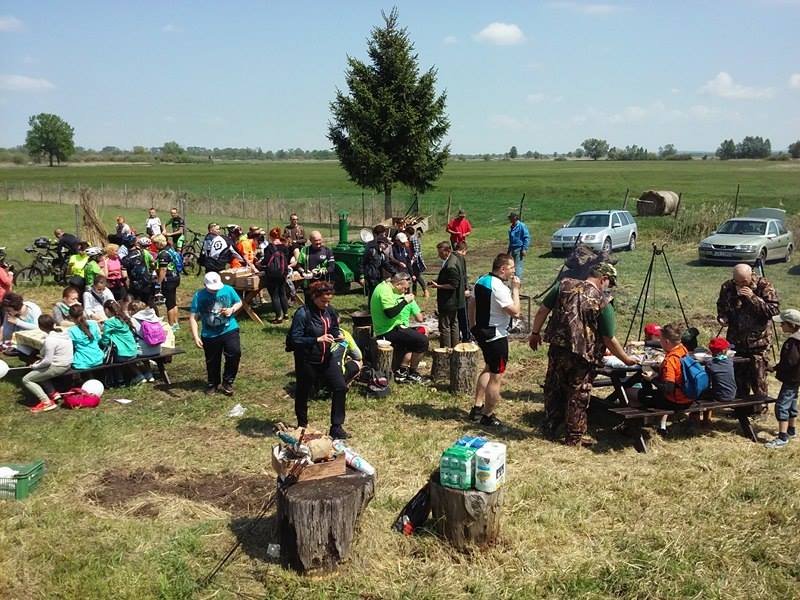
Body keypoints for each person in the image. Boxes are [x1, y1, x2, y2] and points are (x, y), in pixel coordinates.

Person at [529, 263, 637, 446]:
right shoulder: (602, 300)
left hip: (558, 348)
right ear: (603, 279)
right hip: (582, 355)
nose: (608, 288)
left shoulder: (563, 285)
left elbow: (542, 310)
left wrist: (535, 333)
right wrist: (626, 359)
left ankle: (550, 426)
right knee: (578, 394)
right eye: (609, 283)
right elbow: (609, 338)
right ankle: (574, 437)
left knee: (554, 386)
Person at [287, 281, 350, 438]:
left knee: (340, 387)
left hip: (326, 357)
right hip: (307, 359)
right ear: (314, 297)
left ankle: (336, 427)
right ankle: (302, 425)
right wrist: (317, 339)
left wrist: (337, 334)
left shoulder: (330, 311)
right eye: (323, 301)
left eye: (329, 301)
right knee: (303, 391)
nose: (326, 304)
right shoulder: (303, 313)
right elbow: (295, 339)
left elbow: (333, 327)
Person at [467, 254, 521, 427]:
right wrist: (516, 290)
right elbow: (516, 312)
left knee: (488, 368)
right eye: (512, 268)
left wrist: (472, 325)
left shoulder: (481, 280)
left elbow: (472, 303)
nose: (514, 271)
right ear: (502, 269)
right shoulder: (499, 288)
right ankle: (487, 415)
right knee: (496, 376)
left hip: (482, 332)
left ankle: (477, 407)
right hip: (496, 336)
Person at [716, 263, 779, 399]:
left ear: (751, 275)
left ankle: (759, 406)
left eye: (744, 281)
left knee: (758, 380)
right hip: (736, 341)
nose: (740, 285)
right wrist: (722, 317)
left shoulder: (764, 285)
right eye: (737, 281)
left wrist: (753, 297)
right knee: (738, 379)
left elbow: (773, 311)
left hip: (758, 342)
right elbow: (721, 307)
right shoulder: (728, 287)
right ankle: (740, 408)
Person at [369, 272, 429, 384]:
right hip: (386, 330)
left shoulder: (387, 286)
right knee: (422, 341)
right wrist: (405, 301)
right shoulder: (384, 291)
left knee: (416, 336)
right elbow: (390, 313)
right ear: (398, 284)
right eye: (404, 288)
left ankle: (402, 371)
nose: (405, 291)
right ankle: (412, 373)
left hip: (393, 326)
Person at [189, 272, 242, 396]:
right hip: (209, 334)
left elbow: (239, 302)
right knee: (212, 360)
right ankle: (213, 383)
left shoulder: (228, 289)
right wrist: (196, 336)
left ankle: (228, 381)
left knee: (234, 353)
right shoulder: (199, 296)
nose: (215, 291)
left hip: (229, 328)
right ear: (205, 285)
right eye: (212, 289)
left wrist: (231, 309)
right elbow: (193, 317)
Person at [23, 315, 73, 413]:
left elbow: (47, 361)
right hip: (67, 364)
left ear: (40, 327)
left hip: (58, 366)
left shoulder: (50, 340)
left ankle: (46, 402)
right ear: (54, 324)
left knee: (26, 379)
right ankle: (53, 393)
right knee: (39, 373)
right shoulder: (64, 334)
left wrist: (35, 366)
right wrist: (39, 365)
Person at [765, 309, 800, 448]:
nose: (780, 326)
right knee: (792, 402)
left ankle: (782, 438)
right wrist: (775, 368)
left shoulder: (793, 342)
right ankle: (791, 430)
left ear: (792, 325)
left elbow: (790, 361)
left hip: (791, 378)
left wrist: (778, 368)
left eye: (783, 323)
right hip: (796, 378)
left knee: (781, 406)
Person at [99, 300, 144, 386]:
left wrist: (101, 342)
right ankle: (139, 375)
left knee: (112, 357)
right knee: (125, 357)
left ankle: (120, 380)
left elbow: (105, 340)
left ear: (107, 310)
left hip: (123, 355)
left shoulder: (109, 322)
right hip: (133, 351)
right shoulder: (124, 318)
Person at [429, 241, 463, 348]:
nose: (439, 255)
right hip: (454, 300)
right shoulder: (453, 259)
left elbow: (453, 284)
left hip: (448, 301)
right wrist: (438, 281)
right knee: (454, 324)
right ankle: (455, 348)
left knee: (445, 326)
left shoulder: (450, 265)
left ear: (448, 251)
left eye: (441, 253)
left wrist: (438, 286)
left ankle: (446, 350)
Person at [260, 227, 293, 324]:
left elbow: (266, 261)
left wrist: (259, 263)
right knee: (282, 293)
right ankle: (286, 315)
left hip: (272, 274)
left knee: (275, 295)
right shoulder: (284, 247)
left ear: (270, 236)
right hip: (283, 273)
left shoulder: (269, 248)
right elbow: (286, 260)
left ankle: (278, 317)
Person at [129, 299, 163, 382]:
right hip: (157, 348)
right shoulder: (153, 316)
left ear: (132, 310)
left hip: (143, 351)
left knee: (127, 355)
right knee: (144, 347)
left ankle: (139, 375)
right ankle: (149, 374)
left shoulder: (133, 320)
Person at [152, 234, 181, 331]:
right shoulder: (170, 249)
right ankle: (176, 323)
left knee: (169, 304)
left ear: (159, 243)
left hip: (168, 280)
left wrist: (159, 283)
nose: (154, 245)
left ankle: (171, 326)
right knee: (173, 302)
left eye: (155, 243)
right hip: (176, 277)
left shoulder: (163, 254)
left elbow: (163, 270)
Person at [360, 224, 394, 302]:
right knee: (373, 293)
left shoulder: (381, 252)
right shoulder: (371, 247)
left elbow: (386, 263)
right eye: (382, 235)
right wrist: (362, 276)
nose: (386, 247)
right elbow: (363, 262)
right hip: (371, 275)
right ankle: (371, 307)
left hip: (379, 274)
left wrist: (394, 272)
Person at [67, 304, 104, 370]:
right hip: (98, 358)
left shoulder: (71, 331)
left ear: (71, 318)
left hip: (82, 362)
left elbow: (71, 347)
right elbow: (98, 339)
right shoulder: (94, 323)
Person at [122, 236, 155, 303]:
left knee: (136, 303)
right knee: (149, 302)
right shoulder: (142, 252)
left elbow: (124, 276)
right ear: (135, 243)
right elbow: (152, 262)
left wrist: (127, 287)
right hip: (147, 281)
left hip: (135, 285)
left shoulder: (125, 259)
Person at [705, 337, 737, 402]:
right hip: (732, 394)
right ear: (723, 351)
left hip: (719, 396)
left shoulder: (710, 364)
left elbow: (707, 382)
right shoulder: (729, 361)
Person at [454, 242, 471, 342]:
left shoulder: (451, 257)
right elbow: (463, 275)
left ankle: (457, 335)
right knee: (463, 315)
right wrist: (466, 288)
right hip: (461, 292)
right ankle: (466, 336)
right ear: (464, 250)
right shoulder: (460, 258)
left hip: (454, 292)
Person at [404, 226, 428, 298]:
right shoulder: (410, 239)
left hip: (415, 261)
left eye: (406, 232)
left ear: (408, 232)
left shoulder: (414, 239)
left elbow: (417, 251)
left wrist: (412, 260)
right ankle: (414, 292)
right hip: (411, 260)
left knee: (417, 276)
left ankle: (425, 291)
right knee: (413, 276)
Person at [507, 212, 531, 280]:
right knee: (512, 266)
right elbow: (511, 240)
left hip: (519, 249)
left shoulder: (522, 226)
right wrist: (508, 251)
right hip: (513, 249)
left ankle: (517, 281)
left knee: (517, 267)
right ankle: (514, 280)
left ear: (515, 217)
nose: (509, 219)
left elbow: (526, 237)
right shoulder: (511, 227)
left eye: (510, 217)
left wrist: (524, 249)